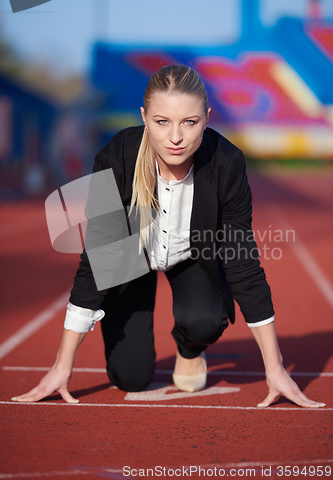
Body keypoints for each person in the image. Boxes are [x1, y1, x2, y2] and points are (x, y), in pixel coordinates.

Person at [12, 65, 325, 408]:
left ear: (207, 118)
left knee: (204, 321)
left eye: (189, 122)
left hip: (191, 256)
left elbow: (243, 263)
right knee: (129, 376)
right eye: (162, 121)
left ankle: (189, 348)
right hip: (130, 261)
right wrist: (62, 365)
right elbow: (98, 259)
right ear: (144, 117)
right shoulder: (116, 158)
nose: (175, 137)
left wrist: (275, 367)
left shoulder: (227, 163)